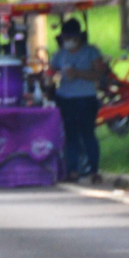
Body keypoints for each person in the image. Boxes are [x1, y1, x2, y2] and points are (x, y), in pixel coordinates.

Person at [49, 18, 105, 183]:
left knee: (88, 134)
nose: (68, 42)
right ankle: (72, 170)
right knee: (70, 136)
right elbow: (51, 71)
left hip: (86, 98)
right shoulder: (60, 54)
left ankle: (94, 170)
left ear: (79, 37)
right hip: (65, 98)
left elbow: (99, 74)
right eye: (65, 39)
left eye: (71, 38)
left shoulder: (91, 52)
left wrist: (78, 73)